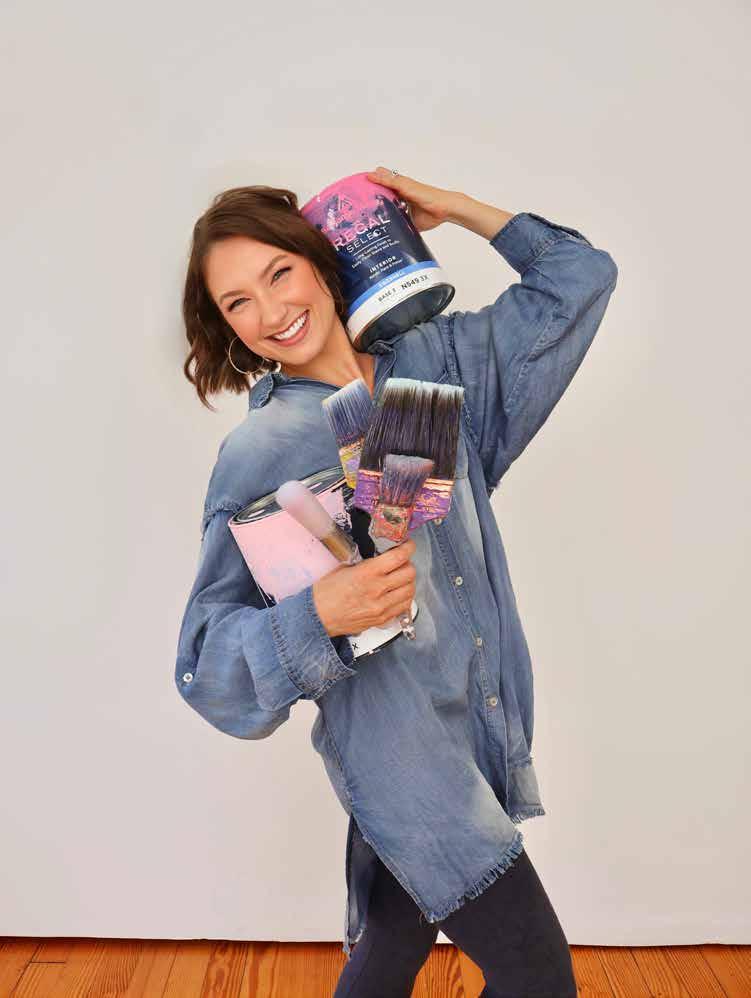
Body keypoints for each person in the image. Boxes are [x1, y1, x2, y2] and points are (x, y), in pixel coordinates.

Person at [175, 166, 618, 997]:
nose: (270, 310)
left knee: (388, 953)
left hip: (480, 720)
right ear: (227, 327)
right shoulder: (260, 452)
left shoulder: (432, 365)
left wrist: (456, 209)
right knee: (536, 975)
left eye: (279, 273)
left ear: (321, 261)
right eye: (238, 302)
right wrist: (317, 614)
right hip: (402, 757)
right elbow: (205, 665)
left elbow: (578, 278)